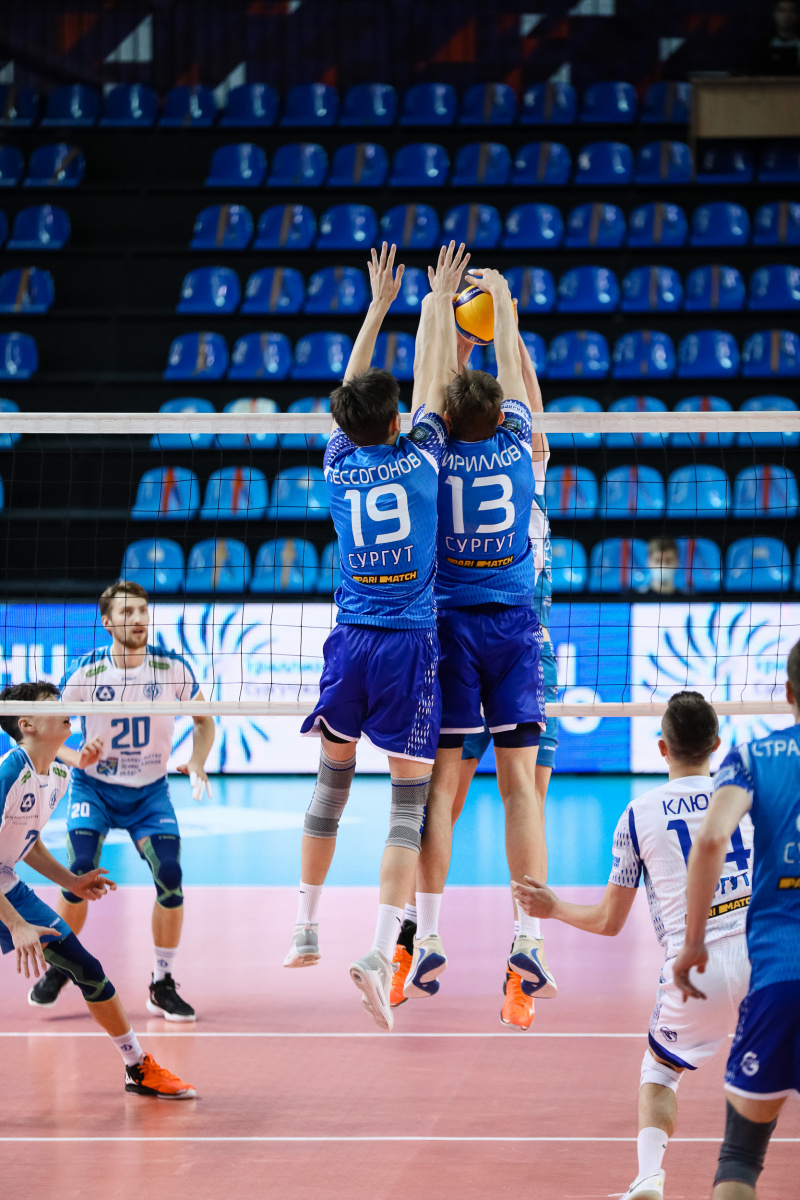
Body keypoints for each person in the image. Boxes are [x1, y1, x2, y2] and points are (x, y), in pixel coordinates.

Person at [283, 241, 467, 1033]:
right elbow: (431, 379)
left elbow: (352, 392)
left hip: (348, 642)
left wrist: (376, 307)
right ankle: (379, 947)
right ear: (396, 423)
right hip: (408, 647)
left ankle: (305, 925)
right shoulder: (422, 459)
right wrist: (437, 302)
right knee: (407, 807)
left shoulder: (335, 463)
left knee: (331, 784)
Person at [513, 691, 754, 1200]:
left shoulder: (638, 814)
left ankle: (649, 1177)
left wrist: (552, 907)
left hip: (696, 965)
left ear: (661, 746)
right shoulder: (748, 796)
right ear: (717, 743)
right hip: (764, 955)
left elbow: (609, 922)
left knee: (661, 1070)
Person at [390, 319, 557, 1032]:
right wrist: (505, 319)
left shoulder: (427, 462)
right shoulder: (524, 454)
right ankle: (516, 939)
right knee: (514, 795)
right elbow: (523, 398)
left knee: (444, 795)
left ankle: (436, 936)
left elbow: (430, 392)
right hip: (518, 635)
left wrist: (443, 324)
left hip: (452, 631)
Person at [28, 580, 214, 1022]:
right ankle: (61, 966)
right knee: (79, 871)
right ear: (108, 622)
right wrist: (77, 756)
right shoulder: (86, 672)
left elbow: (203, 719)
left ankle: (162, 983)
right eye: (127, 612)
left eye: (143, 611)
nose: (138, 619)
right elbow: (49, 730)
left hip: (150, 793)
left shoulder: (171, 667)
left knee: (170, 875)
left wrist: (198, 760)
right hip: (94, 789)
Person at [0, 681, 195, 1098]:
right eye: (53, 705)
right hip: (6, 897)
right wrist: (16, 924)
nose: (65, 708)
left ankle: (137, 1066)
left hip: (6, 886)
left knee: (87, 970)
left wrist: (71, 882)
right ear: (27, 723)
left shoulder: (56, 775)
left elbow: (24, 841)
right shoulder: (8, 773)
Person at [672, 643, 800, 1199]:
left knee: (741, 1158)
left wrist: (693, 943)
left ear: (788, 692)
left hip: (780, 975)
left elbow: (711, 840)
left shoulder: (754, 757)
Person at [748, 0, 800, 74]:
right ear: (775, 14)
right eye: (782, 10)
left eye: (792, 11)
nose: (787, 15)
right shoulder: (762, 45)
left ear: (798, 15)